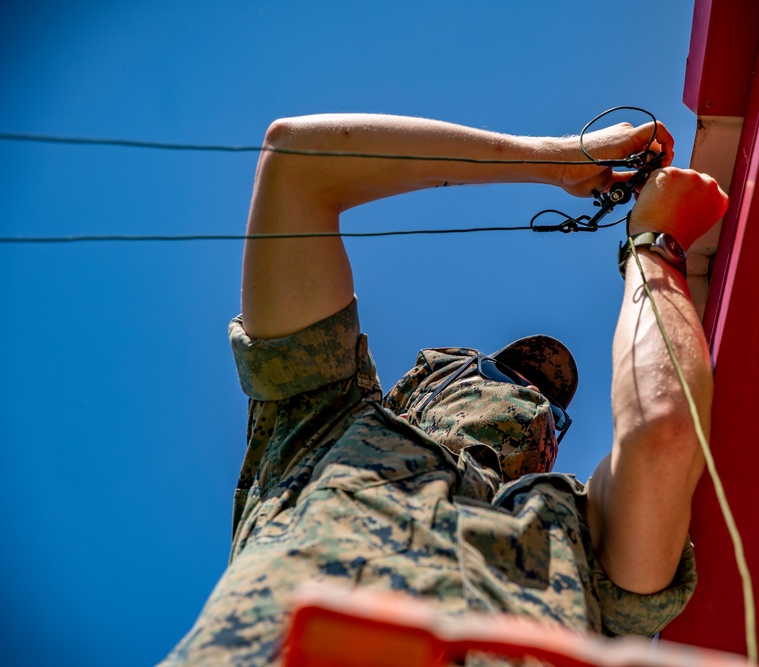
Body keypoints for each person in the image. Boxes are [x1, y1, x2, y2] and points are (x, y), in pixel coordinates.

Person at [160, 113, 728, 666]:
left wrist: (655, 244)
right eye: (503, 375)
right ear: (414, 391)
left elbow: (661, 436)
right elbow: (298, 160)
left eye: (553, 409)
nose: (533, 404)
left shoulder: (581, 537)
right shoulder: (319, 426)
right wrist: (562, 162)